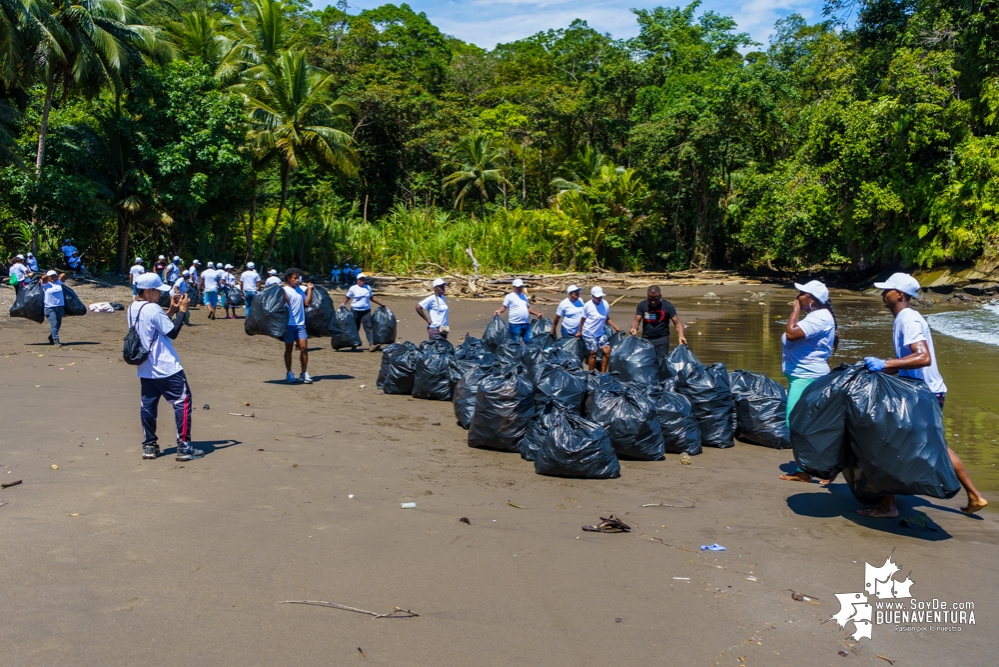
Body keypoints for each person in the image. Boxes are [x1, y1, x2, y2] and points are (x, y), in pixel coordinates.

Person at [860, 273, 987, 517]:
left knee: (889, 443)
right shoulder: (903, 318)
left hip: (923, 395)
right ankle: (975, 496)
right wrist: (881, 367)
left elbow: (923, 356)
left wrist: (884, 362)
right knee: (936, 446)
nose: (882, 295)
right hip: (923, 392)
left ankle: (889, 506)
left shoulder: (907, 319)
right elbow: (905, 362)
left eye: (887, 290)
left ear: (899, 295)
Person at [128, 273, 201, 461]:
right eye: (158, 291)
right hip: (166, 367)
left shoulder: (132, 308)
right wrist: (182, 311)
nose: (160, 294)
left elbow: (155, 326)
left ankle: (149, 446)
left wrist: (171, 311)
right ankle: (184, 447)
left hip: (146, 367)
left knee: (148, 406)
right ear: (149, 291)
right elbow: (173, 332)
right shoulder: (152, 308)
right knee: (182, 403)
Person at [777, 280, 838, 484]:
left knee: (796, 422)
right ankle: (805, 470)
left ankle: (825, 469)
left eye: (801, 294)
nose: (797, 297)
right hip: (801, 376)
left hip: (808, 376)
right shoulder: (816, 316)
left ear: (811, 299)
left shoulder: (820, 317)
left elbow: (791, 334)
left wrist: (794, 311)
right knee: (804, 423)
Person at [630, 285, 687, 361]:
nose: (653, 302)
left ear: (660, 296)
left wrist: (681, 336)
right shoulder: (642, 305)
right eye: (650, 299)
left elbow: (677, 323)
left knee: (661, 363)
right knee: (646, 363)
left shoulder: (667, 306)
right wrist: (633, 328)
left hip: (662, 340)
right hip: (646, 340)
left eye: (655, 299)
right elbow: (636, 321)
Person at [577, 286, 621, 372]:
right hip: (589, 333)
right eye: (597, 297)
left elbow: (607, 318)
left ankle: (603, 374)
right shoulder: (587, 306)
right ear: (592, 296)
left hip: (600, 332)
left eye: (600, 297)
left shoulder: (605, 304)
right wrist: (579, 331)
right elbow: (582, 320)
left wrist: (616, 327)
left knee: (607, 352)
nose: (599, 299)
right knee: (593, 353)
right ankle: (591, 374)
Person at [282, 268, 314, 384]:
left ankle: (304, 373)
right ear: (288, 279)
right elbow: (283, 304)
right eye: (295, 278)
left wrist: (309, 289)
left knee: (304, 348)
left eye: (298, 278)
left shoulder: (300, 290)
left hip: (301, 325)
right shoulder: (284, 290)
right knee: (289, 350)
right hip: (289, 325)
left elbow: (307, 303)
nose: (297, 280)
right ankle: (289, 372)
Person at [341, 273, 387, 351]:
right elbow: (347, 297)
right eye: (360, 280)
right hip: (355, 311)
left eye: (363, 280)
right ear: (357, 280)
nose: (362, 281)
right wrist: (343, 304)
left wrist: (381, 303)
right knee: (355, 328)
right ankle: (354, 345)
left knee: (368, 327)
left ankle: (371, 345)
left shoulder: (367, 288)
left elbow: (372, 298)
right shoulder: (353, 288)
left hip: (366, 311)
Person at [495, 278, 543, 343]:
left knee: (529, 341)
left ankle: (525, 353)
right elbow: (504, 307)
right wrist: (499, 311)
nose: (519, 289)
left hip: (526, 323)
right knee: (515, 343)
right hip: (515, 324)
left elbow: (528, 308)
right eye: (518, 287)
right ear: (513, 287)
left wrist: (537, 313)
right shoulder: (509, 296)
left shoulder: (524, 296)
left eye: (521, 287)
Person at [41, 270, 67, 346]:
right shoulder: (45, 284)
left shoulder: (59, 282)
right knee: (54, 323)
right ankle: (56, 340)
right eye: (50, 276)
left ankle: (51, 337)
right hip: (49, 307)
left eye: (54, 276)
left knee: (58, 324)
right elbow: (43, 278)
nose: (52, 278)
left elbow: (63, 275)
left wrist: (58, 276)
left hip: (59, 307)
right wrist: (45, 276)